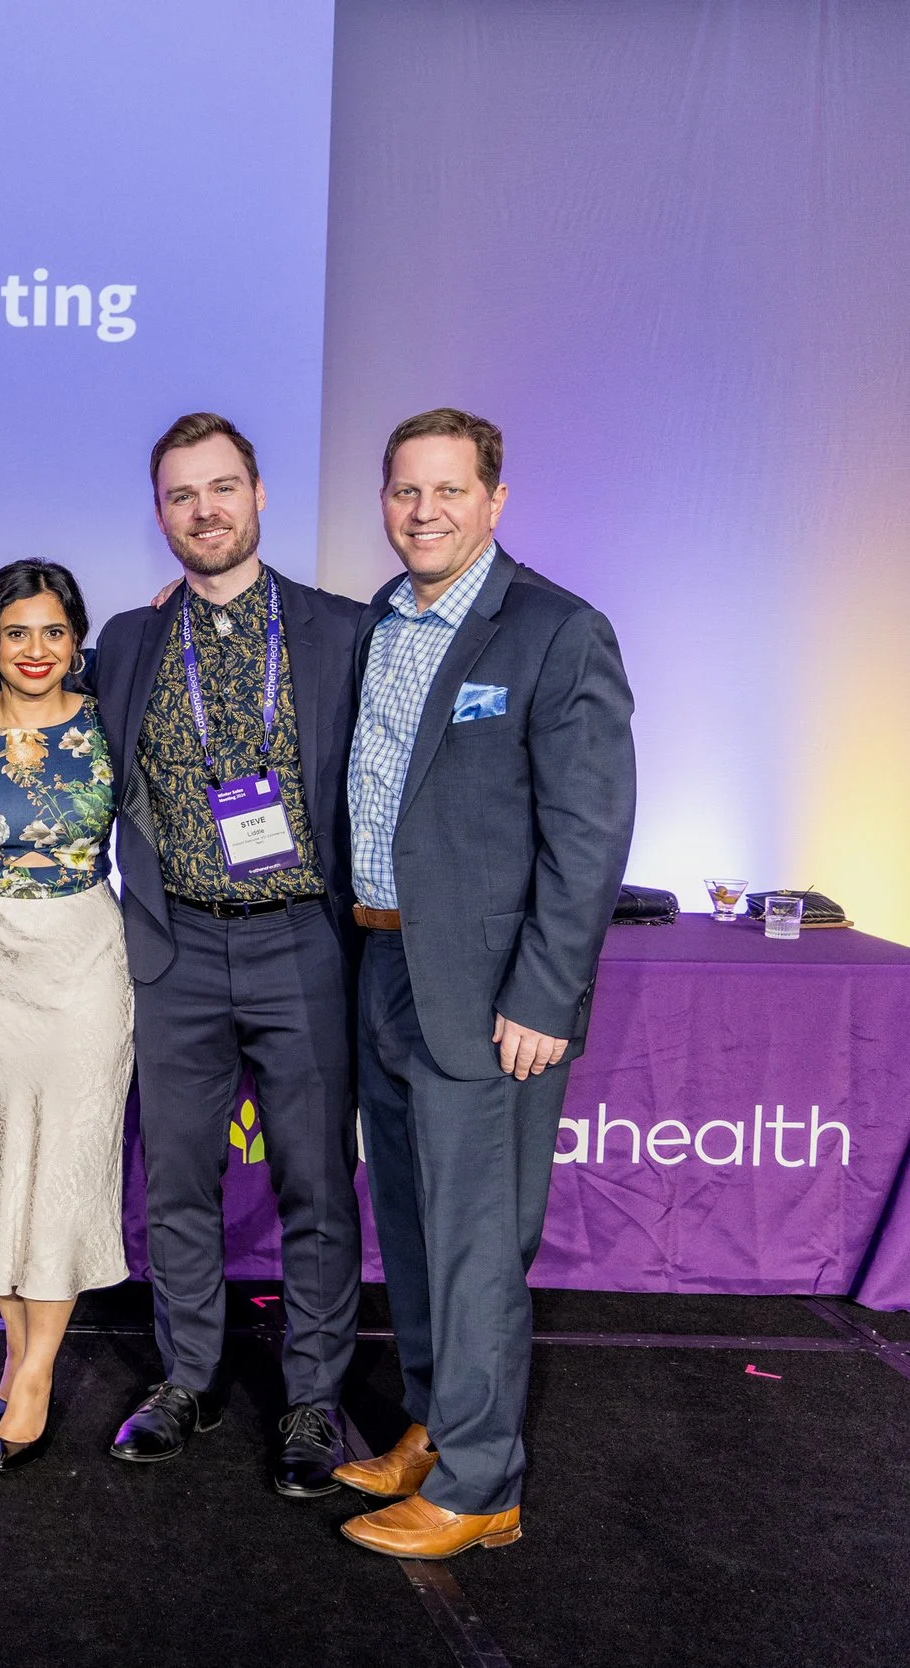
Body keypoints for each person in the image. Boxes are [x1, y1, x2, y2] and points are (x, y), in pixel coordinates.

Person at [336, 409, 634, 1559]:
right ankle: (432, 1423)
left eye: (447, 491)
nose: (423, 512)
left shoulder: (557, 633)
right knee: (410, 1226)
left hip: (487, 993)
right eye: (404, 492)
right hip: (381, 964)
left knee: (475, 1242)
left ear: (494, 500)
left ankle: (479, 1488)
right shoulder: (381, 619)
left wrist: (543, 996)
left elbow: (587, 836)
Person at [92, 412, 368, 1497]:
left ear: (257, 496)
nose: (202, 511)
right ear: (158, 513)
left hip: (301, 939)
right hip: (174, 945)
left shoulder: (341, 631)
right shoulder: (126, 640)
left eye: (220, 489)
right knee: (178, 1186)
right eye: (179, 496)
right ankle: (188, 1377)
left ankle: (311, 1396)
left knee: (314, 1182)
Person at [0, 560, 131, 1473]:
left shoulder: (107, 719)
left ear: (77, 639)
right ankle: (18, 1351)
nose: (35, 650)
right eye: (17, 632)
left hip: (86, 958)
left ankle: (39, 1372)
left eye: (54, 631)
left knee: (68, 1161)